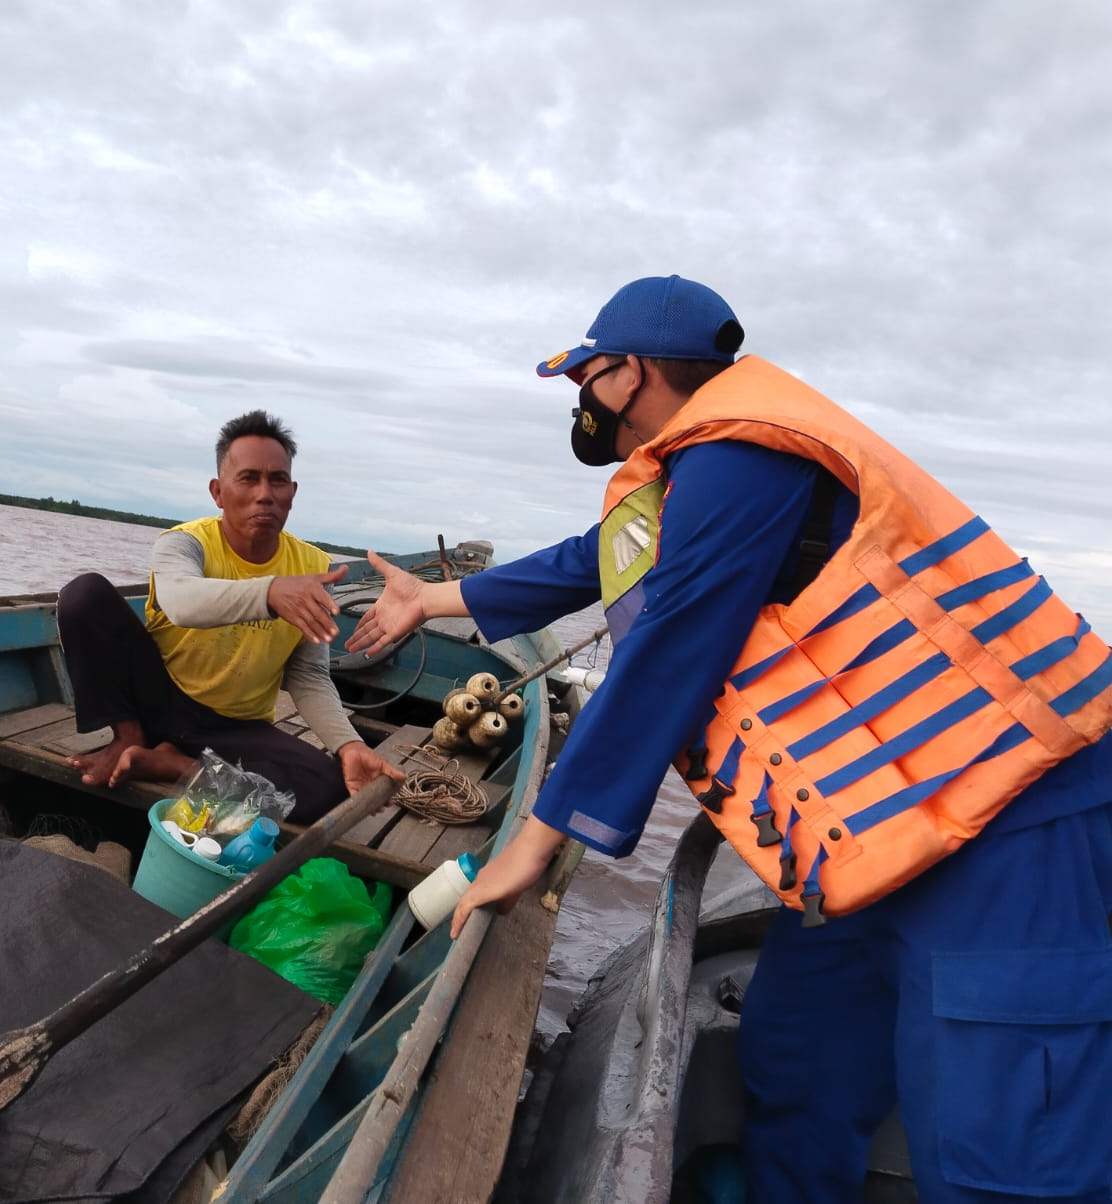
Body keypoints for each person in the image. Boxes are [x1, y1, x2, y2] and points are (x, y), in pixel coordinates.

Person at [346, 276, 1112, 1202]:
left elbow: (672, 644)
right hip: (880, 829)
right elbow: (589, 564)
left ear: (627, 375)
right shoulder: (693, 478)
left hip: (1008, 822)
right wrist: (434, 598)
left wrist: (537, 842)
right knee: (799, 1064)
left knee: (1002, 1148)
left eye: (586, 377)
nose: (584, 401)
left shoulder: (744, 456)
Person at [57, 409, 402, 823]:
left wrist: (349, 745)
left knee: (330, 790)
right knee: (84, 595)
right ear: (218, 492)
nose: (264, 494)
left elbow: (308, 675)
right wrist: (271, 592)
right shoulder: (184, 544)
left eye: (277, 481)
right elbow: (182, 601)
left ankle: (178, 766)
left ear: (292, 492)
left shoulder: (314, 567)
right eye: (248, 478)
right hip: (160, 698)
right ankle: (128, 738)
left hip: (233, 727)